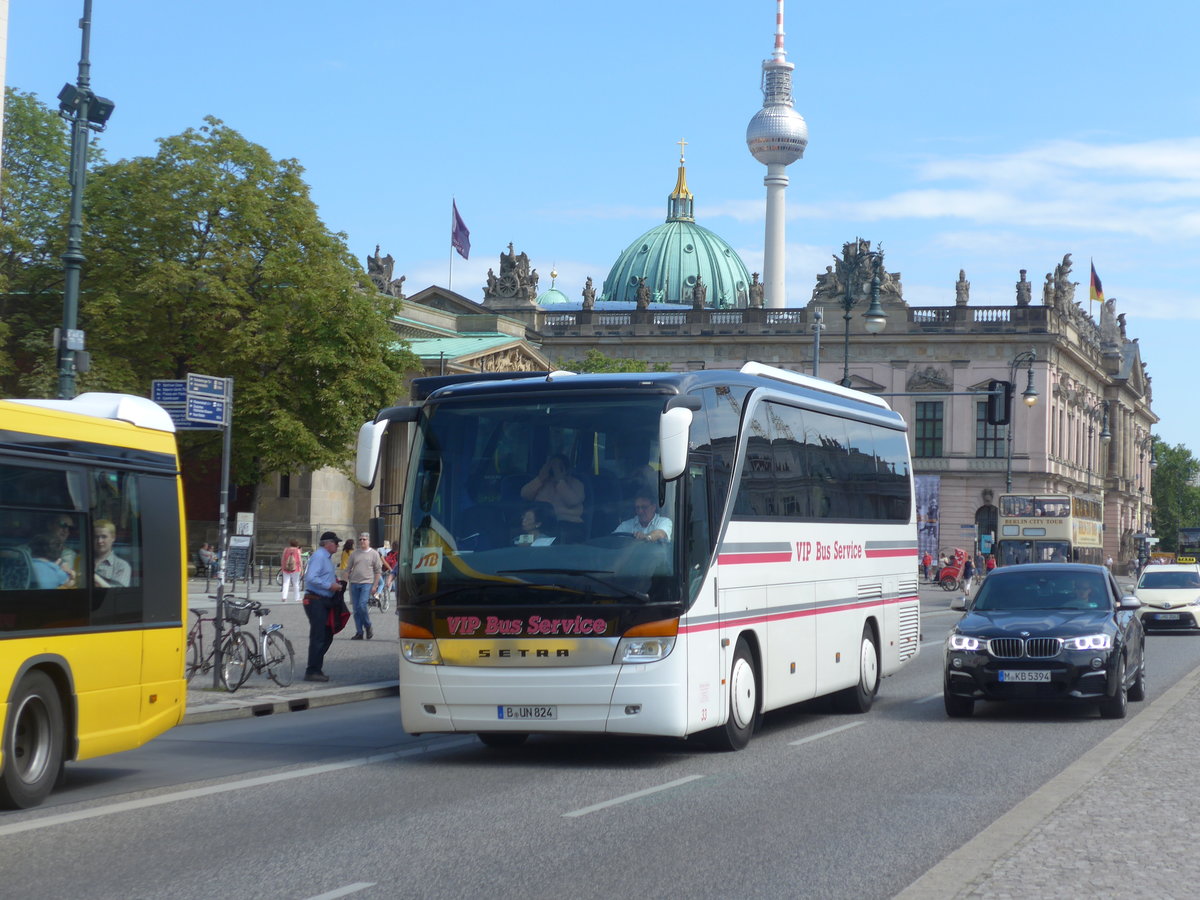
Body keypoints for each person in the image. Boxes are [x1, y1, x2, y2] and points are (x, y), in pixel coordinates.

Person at [302, 531, 343, 682]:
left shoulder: (326, 557)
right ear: (328, 543)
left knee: (326, 635)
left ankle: (316, 666)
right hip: (316, 600)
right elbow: (311, 578)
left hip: (323, 600)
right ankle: (312, 670)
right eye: (336, 543)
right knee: (319, 636)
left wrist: (335, 584)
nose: (338, 546)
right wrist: (329, 585)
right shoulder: (319, 556)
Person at [521, 454, 585, 541]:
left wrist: (560, 480)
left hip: (567, 524)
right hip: (541, 524)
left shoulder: (576, 483)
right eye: (551, 466)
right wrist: (540, 478)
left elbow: (573, 501)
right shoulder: (542, 483)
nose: (554, 470)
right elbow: (525, 494)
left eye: (558, 467)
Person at [346, 533, 382, 640]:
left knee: (362, 605)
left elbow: (378, 571)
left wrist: (375, 585)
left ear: (369, 541)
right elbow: (348, 568)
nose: (362, 541)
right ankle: (359, 632)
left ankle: (368, 625)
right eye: (360, 539)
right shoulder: (354, 554)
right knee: (356, 610)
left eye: (364, 539)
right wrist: (344, 580)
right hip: (354, 583)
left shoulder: (374, 554)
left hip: (367, 583)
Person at [93, 519, 132, 588]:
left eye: (104, 537)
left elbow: (117, 593)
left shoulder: (122, 566)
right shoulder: (82, 561)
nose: (99, 541)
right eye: (96, 537)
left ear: (113, 537)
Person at [280, 538, 304, 603]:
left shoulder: (286, 549)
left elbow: (282, 559)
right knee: (296, 583)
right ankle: (297, 598)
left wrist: (282, 567)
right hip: (296, 569)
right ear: (296, 544)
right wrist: (302, 569)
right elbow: (300, 561)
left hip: (286, 568)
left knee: (285, 583)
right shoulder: (297, 550)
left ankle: (284, 597)